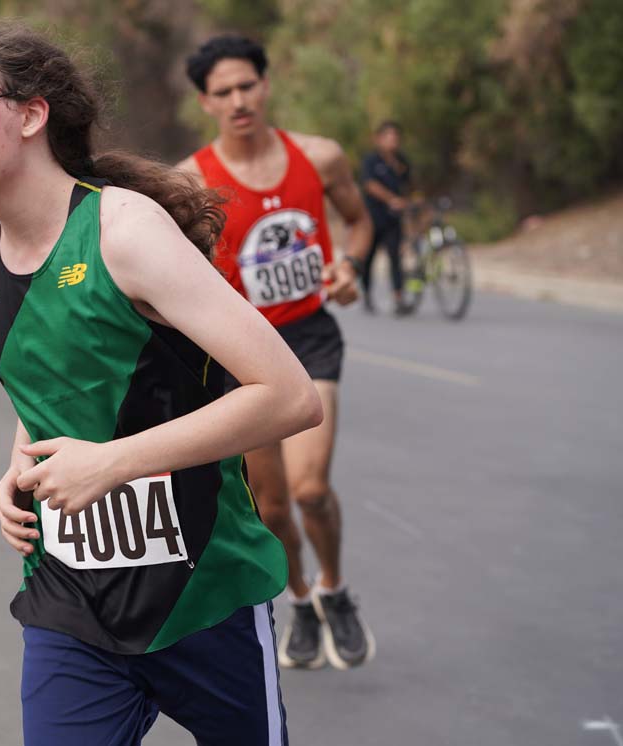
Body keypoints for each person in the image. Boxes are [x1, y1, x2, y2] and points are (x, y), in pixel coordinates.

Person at [0, 19, 323, 744]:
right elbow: (52, 375)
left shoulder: (123, 231)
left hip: (203, 591)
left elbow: (289, 396)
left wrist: (112, 463)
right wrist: (20, 463)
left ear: (31, 113)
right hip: (73, 602)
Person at [178, 33, 377, 671]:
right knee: (270, 508)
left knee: (312, 489)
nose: (238, 100)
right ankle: (298, 600)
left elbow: (360, 220)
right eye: (223, 92)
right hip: (243, 354)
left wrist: (349, 264)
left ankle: (335, 589)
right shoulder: (190, 181)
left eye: (247, 86)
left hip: (311, 336)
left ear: (265, 86)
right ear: (205, 102)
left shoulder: (318, 157)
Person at [359, 120, 412, 313]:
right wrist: (391, 199)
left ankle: (398, 297)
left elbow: (408, 186)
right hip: (373, 217)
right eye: (388, 137)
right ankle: (366, 294)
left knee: (395, 257)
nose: (393, 141)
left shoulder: (402, 162)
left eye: (396, 137)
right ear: (379, 139)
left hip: (393, 219)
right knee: (369, 257)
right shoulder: (371, 161)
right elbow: (369, 184)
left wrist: (407, 203)